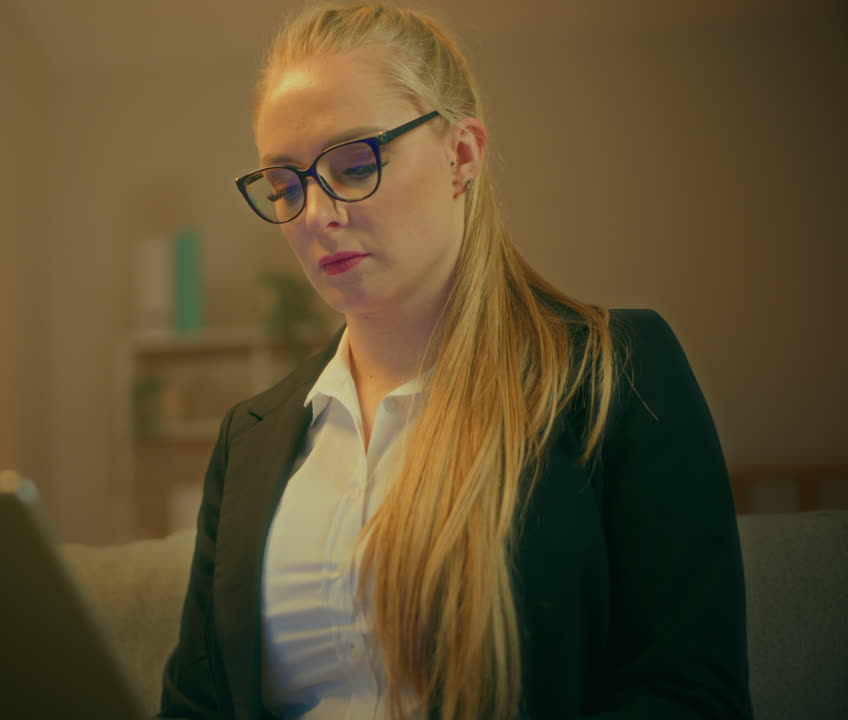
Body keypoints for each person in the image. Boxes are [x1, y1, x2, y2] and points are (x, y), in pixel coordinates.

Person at [157, 3, 751, 720]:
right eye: (284, 185)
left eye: (353, 165)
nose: (315, 213)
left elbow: (690, 694)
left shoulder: (614, 374)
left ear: (461, 155)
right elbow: (195, 704)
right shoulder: (249, 440)